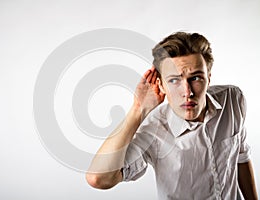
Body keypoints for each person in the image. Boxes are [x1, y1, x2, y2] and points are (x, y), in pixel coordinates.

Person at [86, 32, 258, 199]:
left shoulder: (232, 99)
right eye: (174, 80)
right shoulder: (154, 129)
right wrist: (138, 110)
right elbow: (99, 179)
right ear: (161, 86)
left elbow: (241, 157)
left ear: (209, 78)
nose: (187, 92)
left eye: (196, 78)